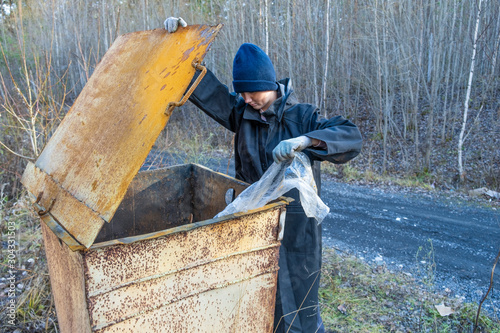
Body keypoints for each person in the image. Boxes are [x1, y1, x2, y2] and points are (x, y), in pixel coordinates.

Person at [165, 17, 363, 333]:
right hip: (255, 228)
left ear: (268, 84)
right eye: (241, 94)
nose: (246, 99)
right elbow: (206, 88)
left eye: (251, 92)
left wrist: (305, 140)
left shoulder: (303, 117)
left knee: (300, 312)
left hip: (298, 233)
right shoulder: (241, 114)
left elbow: (351, 136)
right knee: (259, 303)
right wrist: (181, 44)